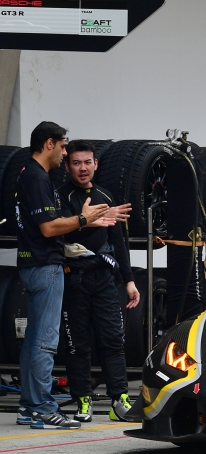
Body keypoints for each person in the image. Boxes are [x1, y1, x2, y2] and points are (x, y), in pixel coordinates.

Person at [14, 122, 113, 430]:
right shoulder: (37, 178)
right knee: (45, 342)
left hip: (31, 265)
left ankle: (28, 405)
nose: (64, 152)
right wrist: (83, 218)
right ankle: (43, 408)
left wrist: (85, 220)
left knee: (33, 340)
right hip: (45, 266)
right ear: (49, 144)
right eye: (62, 146)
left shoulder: (27, 174)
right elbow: (48, 228)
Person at [58, 140, 139, 422]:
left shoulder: (106, 196)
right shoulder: (60, 197)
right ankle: (83, 401)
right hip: (73, 279)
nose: (83, 168)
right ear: (67, 166)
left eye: (87, 162)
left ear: (96, 164)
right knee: (77, 344)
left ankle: (120, 400)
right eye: (76, 163)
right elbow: (58, 234)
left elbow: (118, 243)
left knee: (113, 340)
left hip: (104, 279)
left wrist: (129, 281)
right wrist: (88, 219)